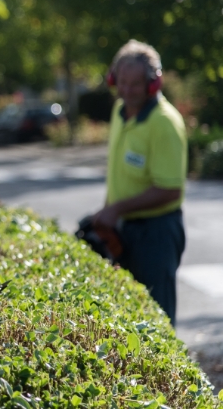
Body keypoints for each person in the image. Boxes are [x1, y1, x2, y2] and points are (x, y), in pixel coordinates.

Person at [93, 39, 186, 326]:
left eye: (135, 84)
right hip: (125, 230)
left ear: (152, 84)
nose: (127, 90)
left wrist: (117, 208)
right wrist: (108, 213)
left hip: (157, 234)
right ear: (113, 79)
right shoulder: (119, 112)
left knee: (158, 319)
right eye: (122, 82)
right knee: (128, 318)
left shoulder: (164, 123)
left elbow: (170, 190)